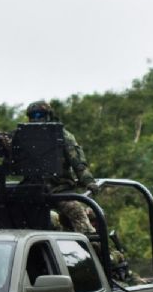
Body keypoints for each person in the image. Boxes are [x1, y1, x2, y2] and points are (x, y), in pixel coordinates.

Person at [25, 100, 98, 235]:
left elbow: (78, 162)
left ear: (48, 116)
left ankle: (93, 247)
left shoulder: (63, 136)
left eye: (40, 115)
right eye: (33, 116)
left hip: (60, 190)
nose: (36, 119)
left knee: (77, 212)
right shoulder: (23, 136)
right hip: (33, 190)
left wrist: (89, 181)